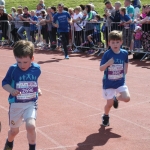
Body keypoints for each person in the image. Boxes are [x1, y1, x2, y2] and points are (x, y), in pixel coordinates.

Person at [2, 40, 41, 150]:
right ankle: (9, 142)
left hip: (30, 103)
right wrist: (11, 90)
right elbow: (4, 83)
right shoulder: (13, 69)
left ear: (32, 59)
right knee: (14, 131)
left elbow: (34, 82)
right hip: (16, 105)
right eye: (19, 62)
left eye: (25, 62)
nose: (22, 65)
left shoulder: (37, 69)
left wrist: (38, 89)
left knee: (31, 126)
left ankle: (32, 148)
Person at [100, 30, 130, 126]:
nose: (115, 44)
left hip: (120, 82)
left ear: (121, 42)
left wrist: (125, 70)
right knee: (109, 104)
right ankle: (105, 115)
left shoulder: (124, 53)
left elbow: (126, 61)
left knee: (127, 98)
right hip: (109, 84)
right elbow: (101, 68)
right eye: (113, 42)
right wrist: (108, 63)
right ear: (109, 43)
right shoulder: (107, 54)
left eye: (117, 42)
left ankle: (116, 99)